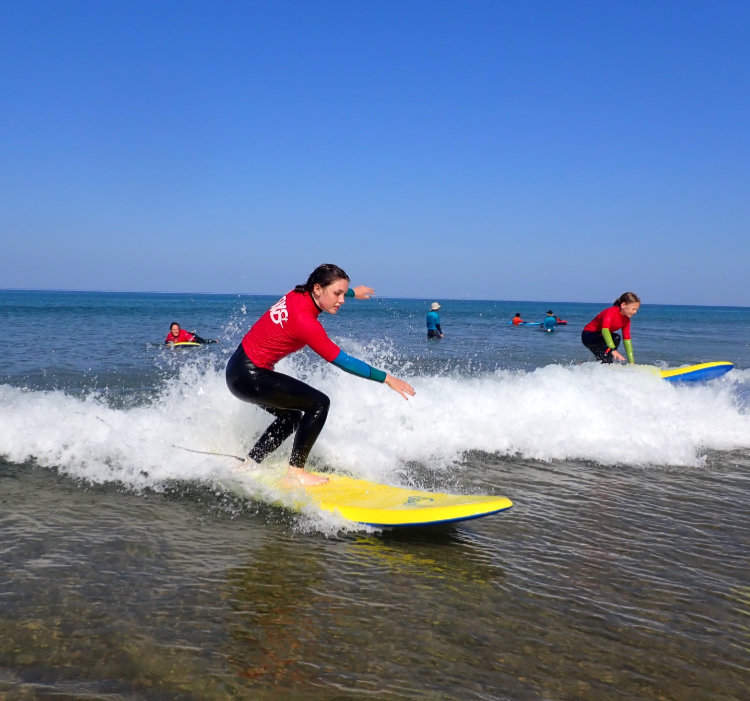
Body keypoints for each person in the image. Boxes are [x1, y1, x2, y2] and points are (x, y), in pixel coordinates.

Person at [226, 264, 415, 487]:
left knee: (292, 417)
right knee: (319, 404)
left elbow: (327, 290)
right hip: (250, 375)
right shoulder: (306, 322)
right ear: (317, 289)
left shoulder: (297, 293)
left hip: (237, 370)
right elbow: (343, 361)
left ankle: (251, 462)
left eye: (344, 293)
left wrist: (355, 292)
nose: (342, 300)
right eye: (338, 294)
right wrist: (387, 378)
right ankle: (295, 473)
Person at [581, 292, 641, 363]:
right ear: (623, 305)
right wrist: (613, 350)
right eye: (633, 309)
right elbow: (605, 331)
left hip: (602, 339)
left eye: (636, 310)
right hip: (589, 336)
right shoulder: (610, 312)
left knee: (605, 362)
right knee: (616, 338)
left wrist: (632, 362)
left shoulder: (626, 320)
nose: (635, 312)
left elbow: (627, 339)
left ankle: (581, 366)